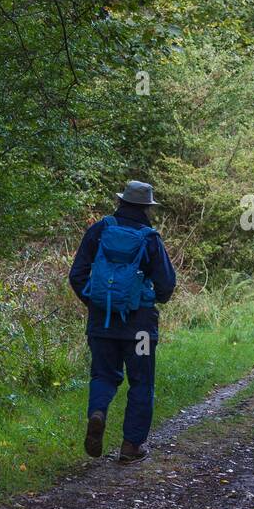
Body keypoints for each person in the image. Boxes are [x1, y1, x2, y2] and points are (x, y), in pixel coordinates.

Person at [68, 181, 176, 464]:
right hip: (139, 327)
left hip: (102, 323)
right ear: (147, 208)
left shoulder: (100, 230)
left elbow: (77, 274)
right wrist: (154, 298)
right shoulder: (150, 238)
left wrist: (95, 301)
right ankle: (131, 447)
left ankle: (98, 412)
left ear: (121, 202)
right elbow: (166, 285)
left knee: (103, 375)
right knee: (141, 382)